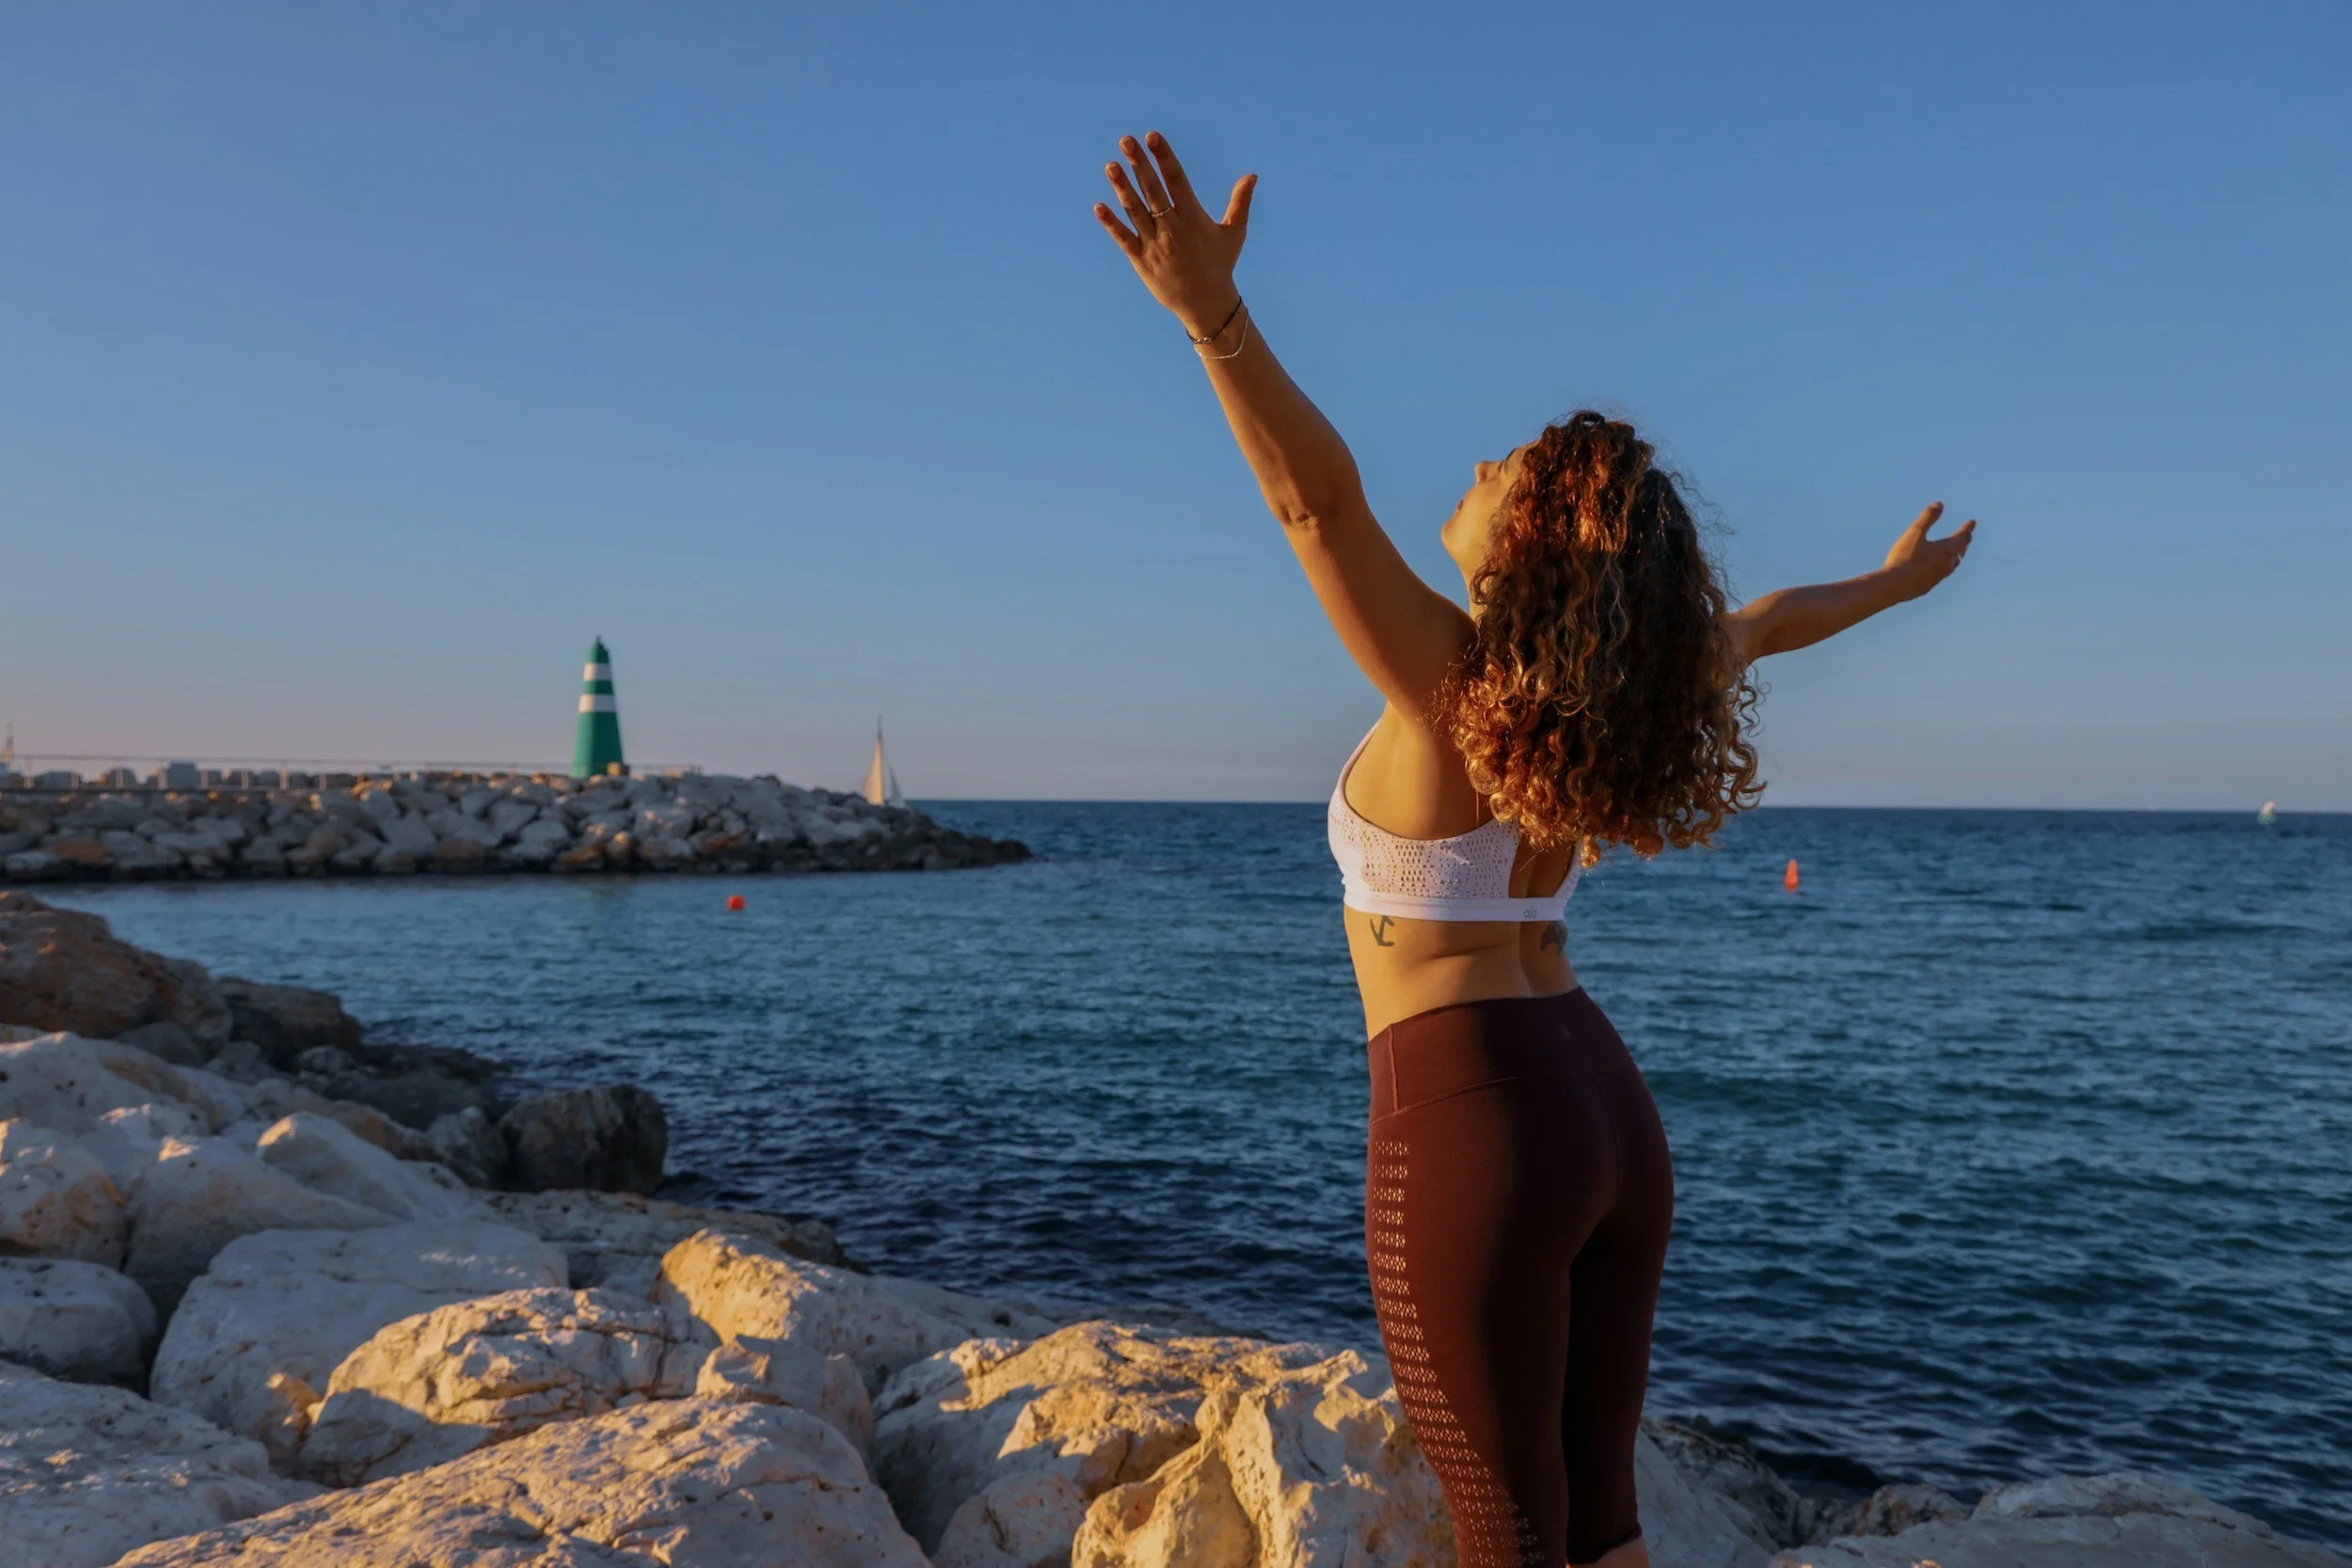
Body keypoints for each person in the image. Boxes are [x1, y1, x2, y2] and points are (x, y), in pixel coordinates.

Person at [1094, 130, 1975, 1567]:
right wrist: (1896, 581)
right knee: (1602, 1528)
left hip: (1478, 1122)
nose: (1485, 457)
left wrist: (1215, 318)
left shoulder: (1449, 688)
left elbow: (1314, 500)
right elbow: (1768, 624)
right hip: (1607, 1111)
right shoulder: (1607, 702)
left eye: (1512, 468)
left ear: (1536, 546)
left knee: (1510, 1537)